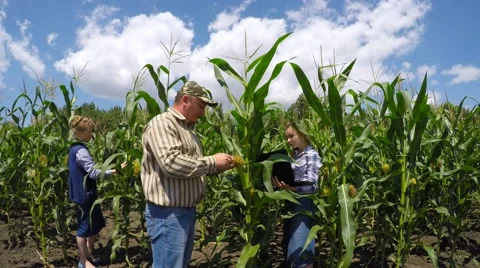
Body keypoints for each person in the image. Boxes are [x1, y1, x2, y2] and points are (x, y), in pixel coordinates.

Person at [141, 81, 234, 268]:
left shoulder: (188, 131)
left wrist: (218, 167)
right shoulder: (163, 123)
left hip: (184, 213)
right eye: (201, 106)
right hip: (168, 215)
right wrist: (212, 162)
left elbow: (192, 168)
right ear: (185, 100)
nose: (203, 112)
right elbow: (171, 162)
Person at [68, 115, 124, 268]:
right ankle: (83, 261)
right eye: (90, 131)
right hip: (83, 195)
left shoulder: (75, 148)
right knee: (84, 228)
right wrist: (114, 171)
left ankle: (89, 254)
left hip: (87, 193)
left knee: (94, 225)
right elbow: (93, 173)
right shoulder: (80, 151)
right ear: (80, 132)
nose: (92, 135)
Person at [272, 122, 321, 268]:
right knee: (291, 241)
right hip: (292, 201)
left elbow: (313, 186)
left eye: (291, 136)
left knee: (300, 245)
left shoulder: (311, 155)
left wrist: (291, 188)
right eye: (286, 137)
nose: (288, 140)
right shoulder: (295, 155)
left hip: (304, 203)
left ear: (303, 134)